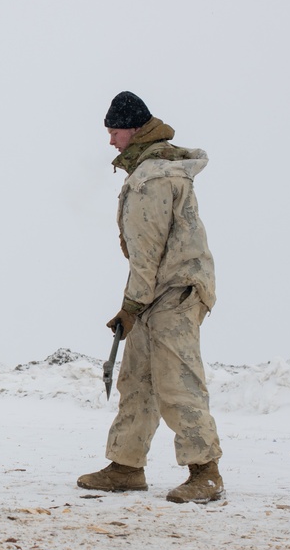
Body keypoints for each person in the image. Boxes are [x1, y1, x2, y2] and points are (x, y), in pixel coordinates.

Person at [77, 91, 224, 504]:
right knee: (137, 380)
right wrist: (137, 306)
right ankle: (126, 466)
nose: (111, 141)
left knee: (178, 383)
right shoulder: (148, 171)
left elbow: (147, 254)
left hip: (173, 294)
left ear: (136, 130)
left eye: (115, 131)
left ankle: (206, 472)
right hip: (156, 295)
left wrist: (130, 307)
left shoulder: (152, 178)